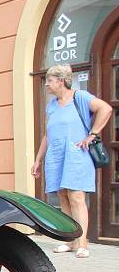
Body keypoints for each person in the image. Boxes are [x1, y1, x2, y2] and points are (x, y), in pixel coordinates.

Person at [32, 64, 112, 259]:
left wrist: (92, 134)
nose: (47, 85)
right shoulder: (51, 105)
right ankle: (69, 240)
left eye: (49, 81)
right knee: (63, 198)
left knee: (76, 197)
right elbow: (47, 135)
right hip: (56, 156)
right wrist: (38, 159)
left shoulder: (80, 97)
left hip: (76, 155)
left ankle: (82, 243)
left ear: (61, 81)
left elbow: (106, 109)